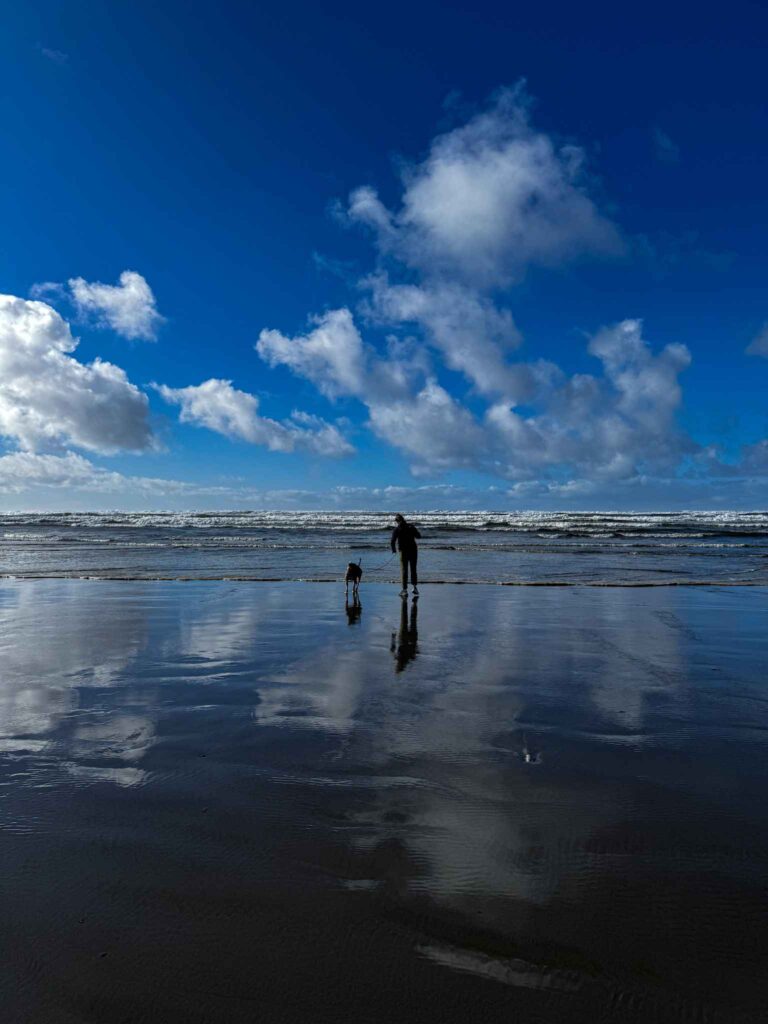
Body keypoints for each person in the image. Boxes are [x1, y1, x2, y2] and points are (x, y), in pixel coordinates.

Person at [390, 513, 421, 596]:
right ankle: (415, 588)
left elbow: (393, 541)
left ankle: (404, 590)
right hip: (413, 550)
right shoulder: (411, 527)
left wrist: (394, 550)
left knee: (404, 570)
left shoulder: (397, 529)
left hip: (403, 551)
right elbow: (419, 536)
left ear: (397, 521)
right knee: (413, 569)